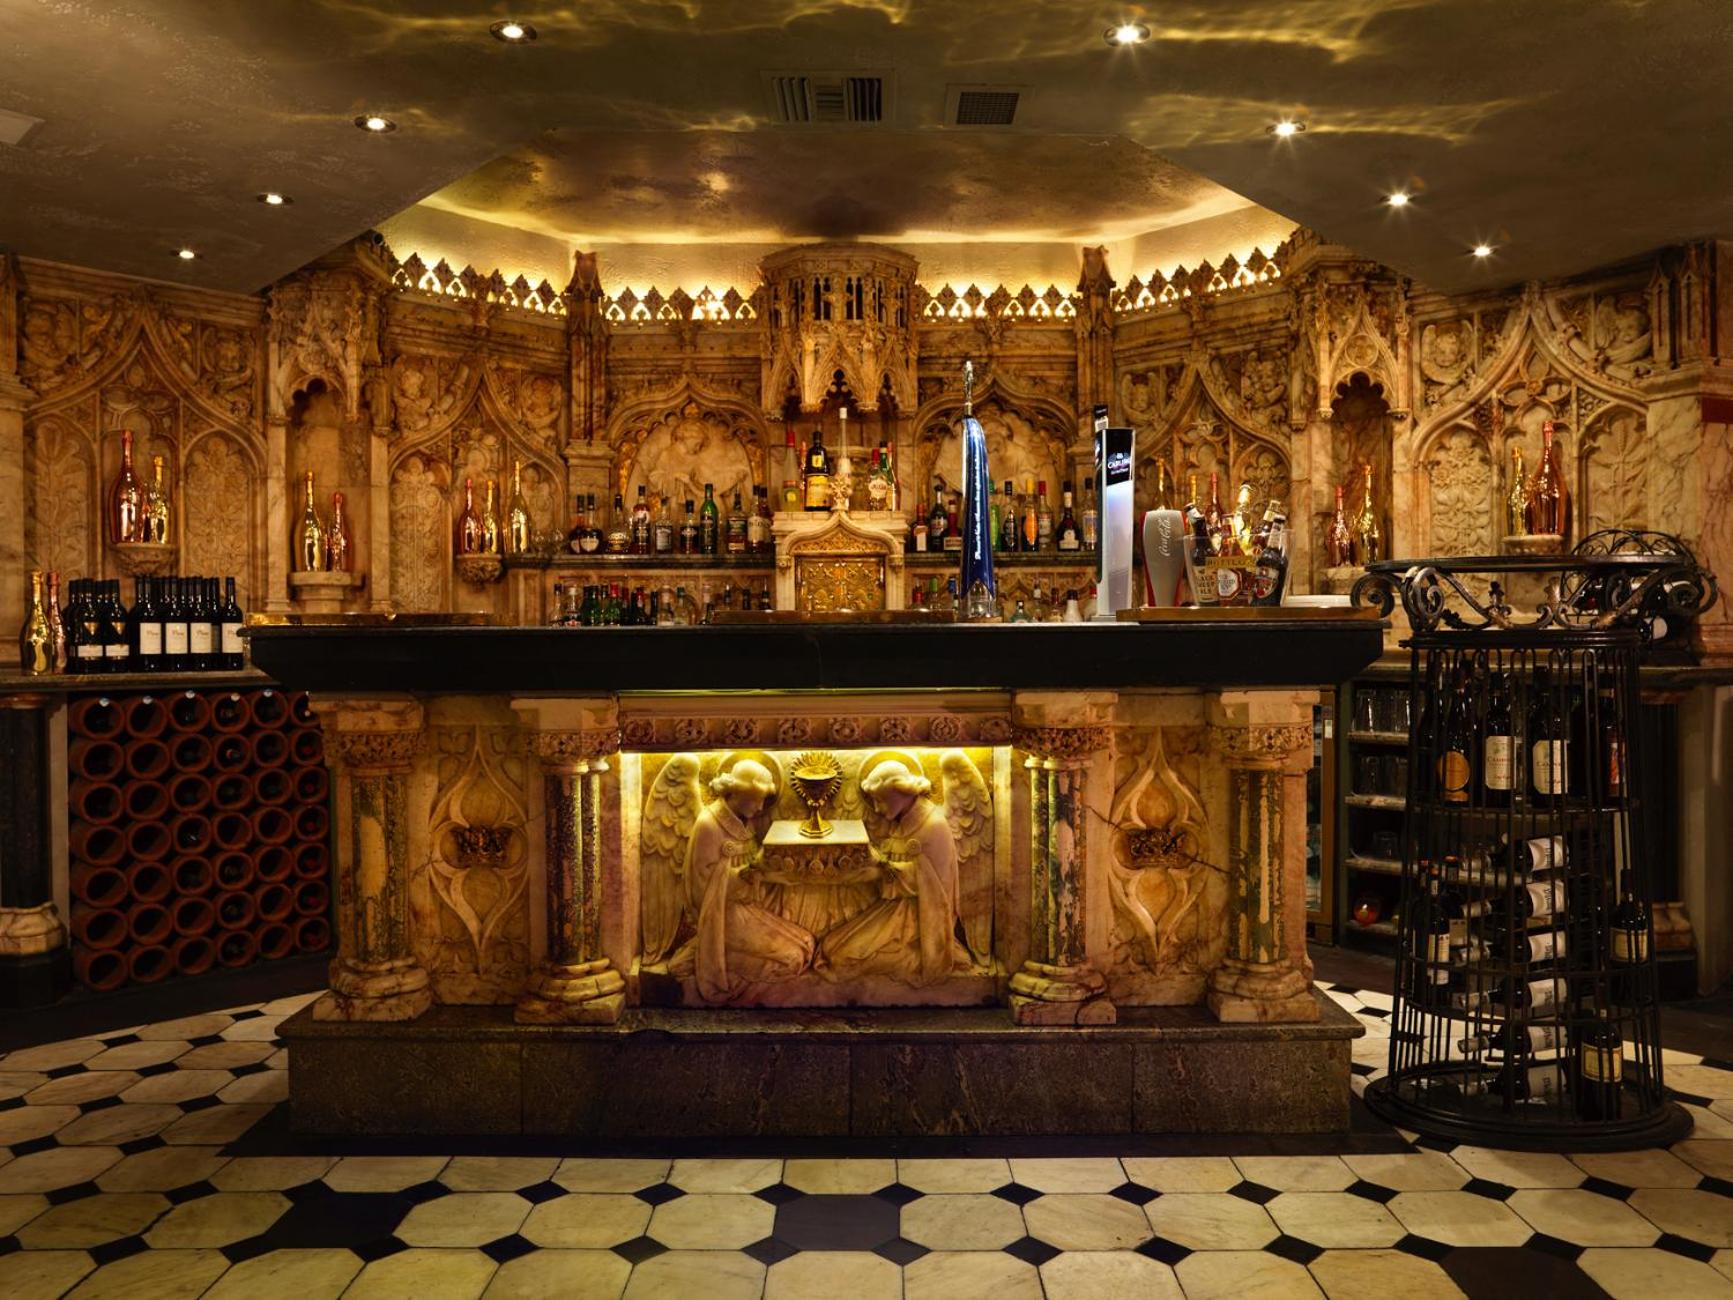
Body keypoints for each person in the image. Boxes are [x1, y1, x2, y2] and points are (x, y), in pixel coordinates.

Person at [818, 759, 968, 986]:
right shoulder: (907, 820)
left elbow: (935, 885)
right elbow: (896, 864)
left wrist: (882, 868)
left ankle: (912, 957)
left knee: (842, 956)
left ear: (902, 792)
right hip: (896, 909)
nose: (877, 808)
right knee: (830, 947)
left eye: (881, 800)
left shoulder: (933, 826)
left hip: (919, 920)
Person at [686, 760, 815, 1002]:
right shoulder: (708, 825)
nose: (760, 807)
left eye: (763, 801)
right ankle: (714, 959)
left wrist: (773, 875)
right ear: (736, 793)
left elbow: (753, 867)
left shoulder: (746, 821)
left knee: (807, 944)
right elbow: (701, 887)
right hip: (720, 916)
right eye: (756, 800)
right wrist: (746, 875)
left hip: (748, 908)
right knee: (793, 958)